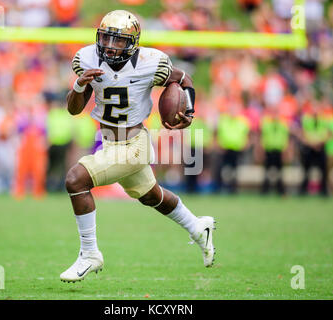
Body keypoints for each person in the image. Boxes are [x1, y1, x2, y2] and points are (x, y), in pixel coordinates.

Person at [60, 10, 216, 283]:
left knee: (76, 180)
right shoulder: (86, 58)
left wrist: (188, 112)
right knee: (150, 196)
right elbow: (74, 109)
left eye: (118, 40)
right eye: (106, 38)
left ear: (132, 42)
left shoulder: (151, 63)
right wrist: (79, 84)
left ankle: (89, 254)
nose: (110, 45)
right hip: (109, 144)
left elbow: (183, 78)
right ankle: (197, 226)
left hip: (134, 145)